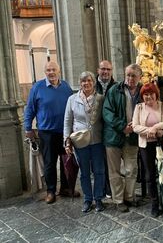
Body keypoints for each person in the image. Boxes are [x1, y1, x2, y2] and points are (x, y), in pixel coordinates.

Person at [24, 61, 78, 204]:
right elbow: (29, 109)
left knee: (67, 160)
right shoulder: (37, 88)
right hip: (46, 133)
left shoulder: (65, 86)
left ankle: (66, 188)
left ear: (59, 71)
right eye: (48, 70)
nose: (51, 72)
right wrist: (28, 128)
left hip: (65, 131)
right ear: (45, 72)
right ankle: (51, 191)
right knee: (49, 163)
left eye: (53, 69)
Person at [102, 64, 142, 212]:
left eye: (134, 75)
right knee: (115, 171)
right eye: (128, 75)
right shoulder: (114, 90)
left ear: (140, 77)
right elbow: (107, 112)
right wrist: (122, 126)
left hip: (132, 137)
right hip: (114, 137)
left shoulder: (142, 91)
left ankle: (129, 197)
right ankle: (118, 200)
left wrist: (137, 126)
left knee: (131, 169)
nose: (130, 78)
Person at [64, 71, 106, 213]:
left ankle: (99, 198)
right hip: (80, 141)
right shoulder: (72, 99)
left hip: (97, 140)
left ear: (93, 82)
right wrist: (67, 140)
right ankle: (88, 199)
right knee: (84, 172)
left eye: (89, 80)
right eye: (83, 81)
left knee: (99, 170)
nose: (86, 83)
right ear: (79, 83)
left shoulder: (101, 98)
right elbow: (67, 121)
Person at [132, 83, 163, 217]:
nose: (148, 96)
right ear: (142, 96)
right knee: (150, 176)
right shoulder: (139, 108)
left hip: (162, 144)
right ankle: (155, 204)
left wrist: (155, 127)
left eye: (151, 93)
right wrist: (150, 131)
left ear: (156, 94)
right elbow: (135, 126)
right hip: (146, 145)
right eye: (145, 94)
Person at [95, 60, 116, 198]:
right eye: (103, 69)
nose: (105, 72)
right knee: (97, 161)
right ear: (98, 70)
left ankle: (109, 188)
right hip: (96, 129)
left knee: (110, 161)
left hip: (110, 129)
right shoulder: (91, 84)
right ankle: (100, 188)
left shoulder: (116, 86)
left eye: (108, 69)